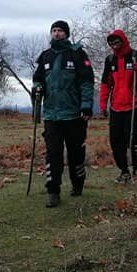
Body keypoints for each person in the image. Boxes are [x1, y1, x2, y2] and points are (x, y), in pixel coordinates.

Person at [32, 20, 95, 208]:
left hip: (74, 114)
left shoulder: (77, 54)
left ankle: (78, 183)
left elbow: (86, 82)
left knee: (76, 153)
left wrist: (86, 106)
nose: (56, 33)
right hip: (52, 115)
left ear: (66, 34)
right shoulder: (45, 56)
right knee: (53, 153)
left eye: (60, 30)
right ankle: (53, 191)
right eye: (53, 30)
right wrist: (37, 88)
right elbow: (38, 80)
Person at [99, 29, 137, 183]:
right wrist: (103, 104)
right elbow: (105, 84)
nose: (114, 45)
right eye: (111, 42)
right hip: (116, 107)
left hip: (134, 106)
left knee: (134, 140)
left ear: (123, 40)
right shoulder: (110, 60)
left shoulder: (135, 56)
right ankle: (124, 171)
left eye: (117, 41)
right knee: (116, 142)